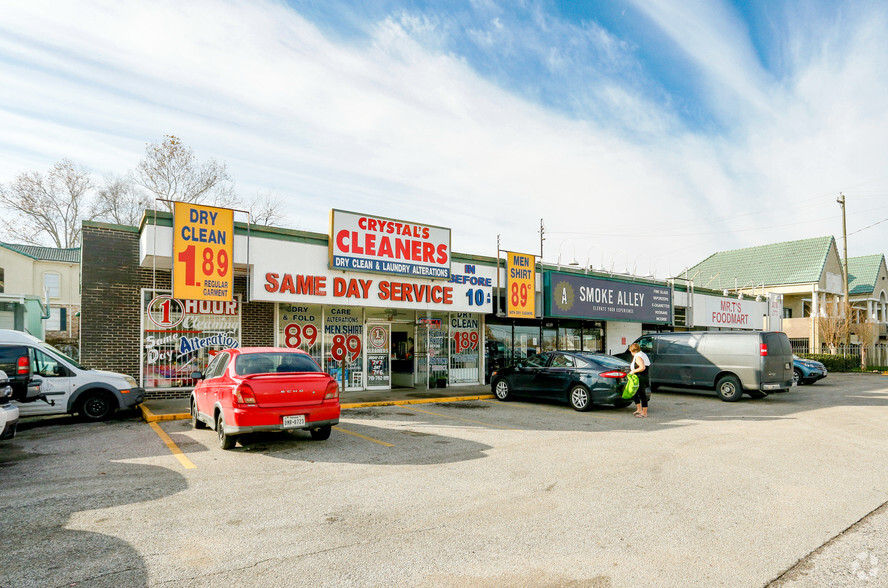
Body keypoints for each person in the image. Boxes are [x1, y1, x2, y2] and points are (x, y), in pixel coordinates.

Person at [628, 342, 651, 417]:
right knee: (635, 393)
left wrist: (633, 371)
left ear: (632, 351)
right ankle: (639, 409)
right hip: (644, 376)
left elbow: (642, 367)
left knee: (642, 394)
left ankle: (644, 413)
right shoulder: (642, 354)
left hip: (641, 376)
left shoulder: (638, 356)